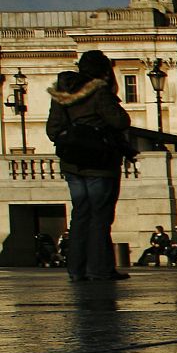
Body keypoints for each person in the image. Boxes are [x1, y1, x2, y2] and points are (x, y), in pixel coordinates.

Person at [44, 49, 133, 282]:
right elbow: (120, 121)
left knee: (80, 215)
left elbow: (52, 130)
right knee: (100, 217)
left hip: (72, 165)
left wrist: (73, 137)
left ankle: (76, 270)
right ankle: (99, 269)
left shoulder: (61, 94)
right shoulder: (99, 92)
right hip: (100, 164)